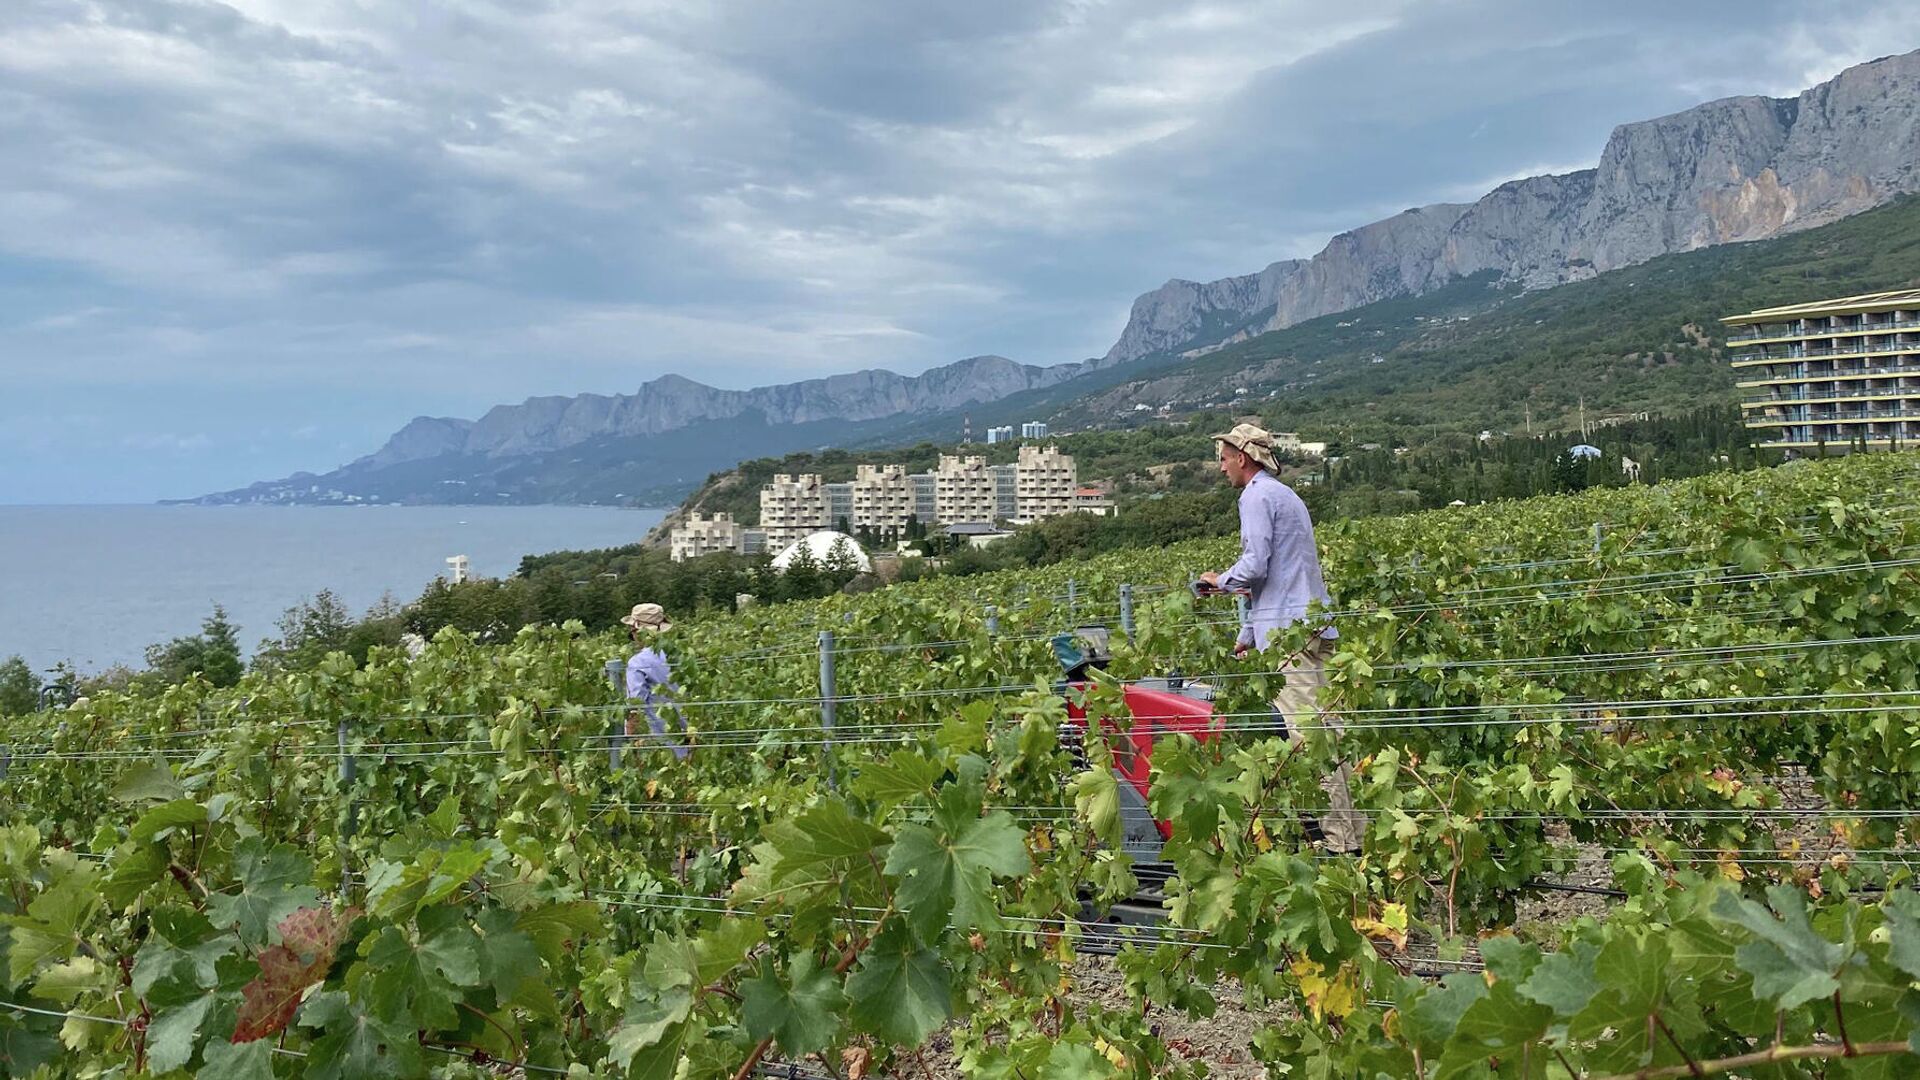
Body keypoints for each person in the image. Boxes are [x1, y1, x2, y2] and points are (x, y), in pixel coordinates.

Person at [1198, 423, 1362, 852]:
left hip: (1291, 637)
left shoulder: (1255, 497)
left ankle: (1339, 843)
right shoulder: (1286, 495)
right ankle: (1355, 832)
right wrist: (1248, 634)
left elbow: (1254, 567)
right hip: (1312, 624)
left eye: (1224, 458)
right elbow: (1280, 574)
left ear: (1244, 458)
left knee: (1308, 737)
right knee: (1331, 731)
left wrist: (1218, 581)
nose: (1221, 468)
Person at [622, 603, 690, 761]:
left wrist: (632, 743)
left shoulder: (637, 663)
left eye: (632, 630)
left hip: (658, 744)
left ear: (638, 632)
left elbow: (636, 705)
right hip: (687, 736)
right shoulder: (679, 655)